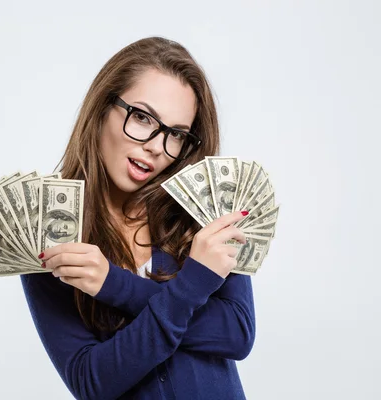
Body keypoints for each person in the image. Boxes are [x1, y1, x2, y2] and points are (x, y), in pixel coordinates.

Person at [20, 36, 255, 400]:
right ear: (102, 108)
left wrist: (114, 285)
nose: (156, 146)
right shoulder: (50, 232)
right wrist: (191, 286)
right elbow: (91, 381)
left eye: (176, 134)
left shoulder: (203, 210)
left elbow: (236, 334)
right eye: (143, 117)